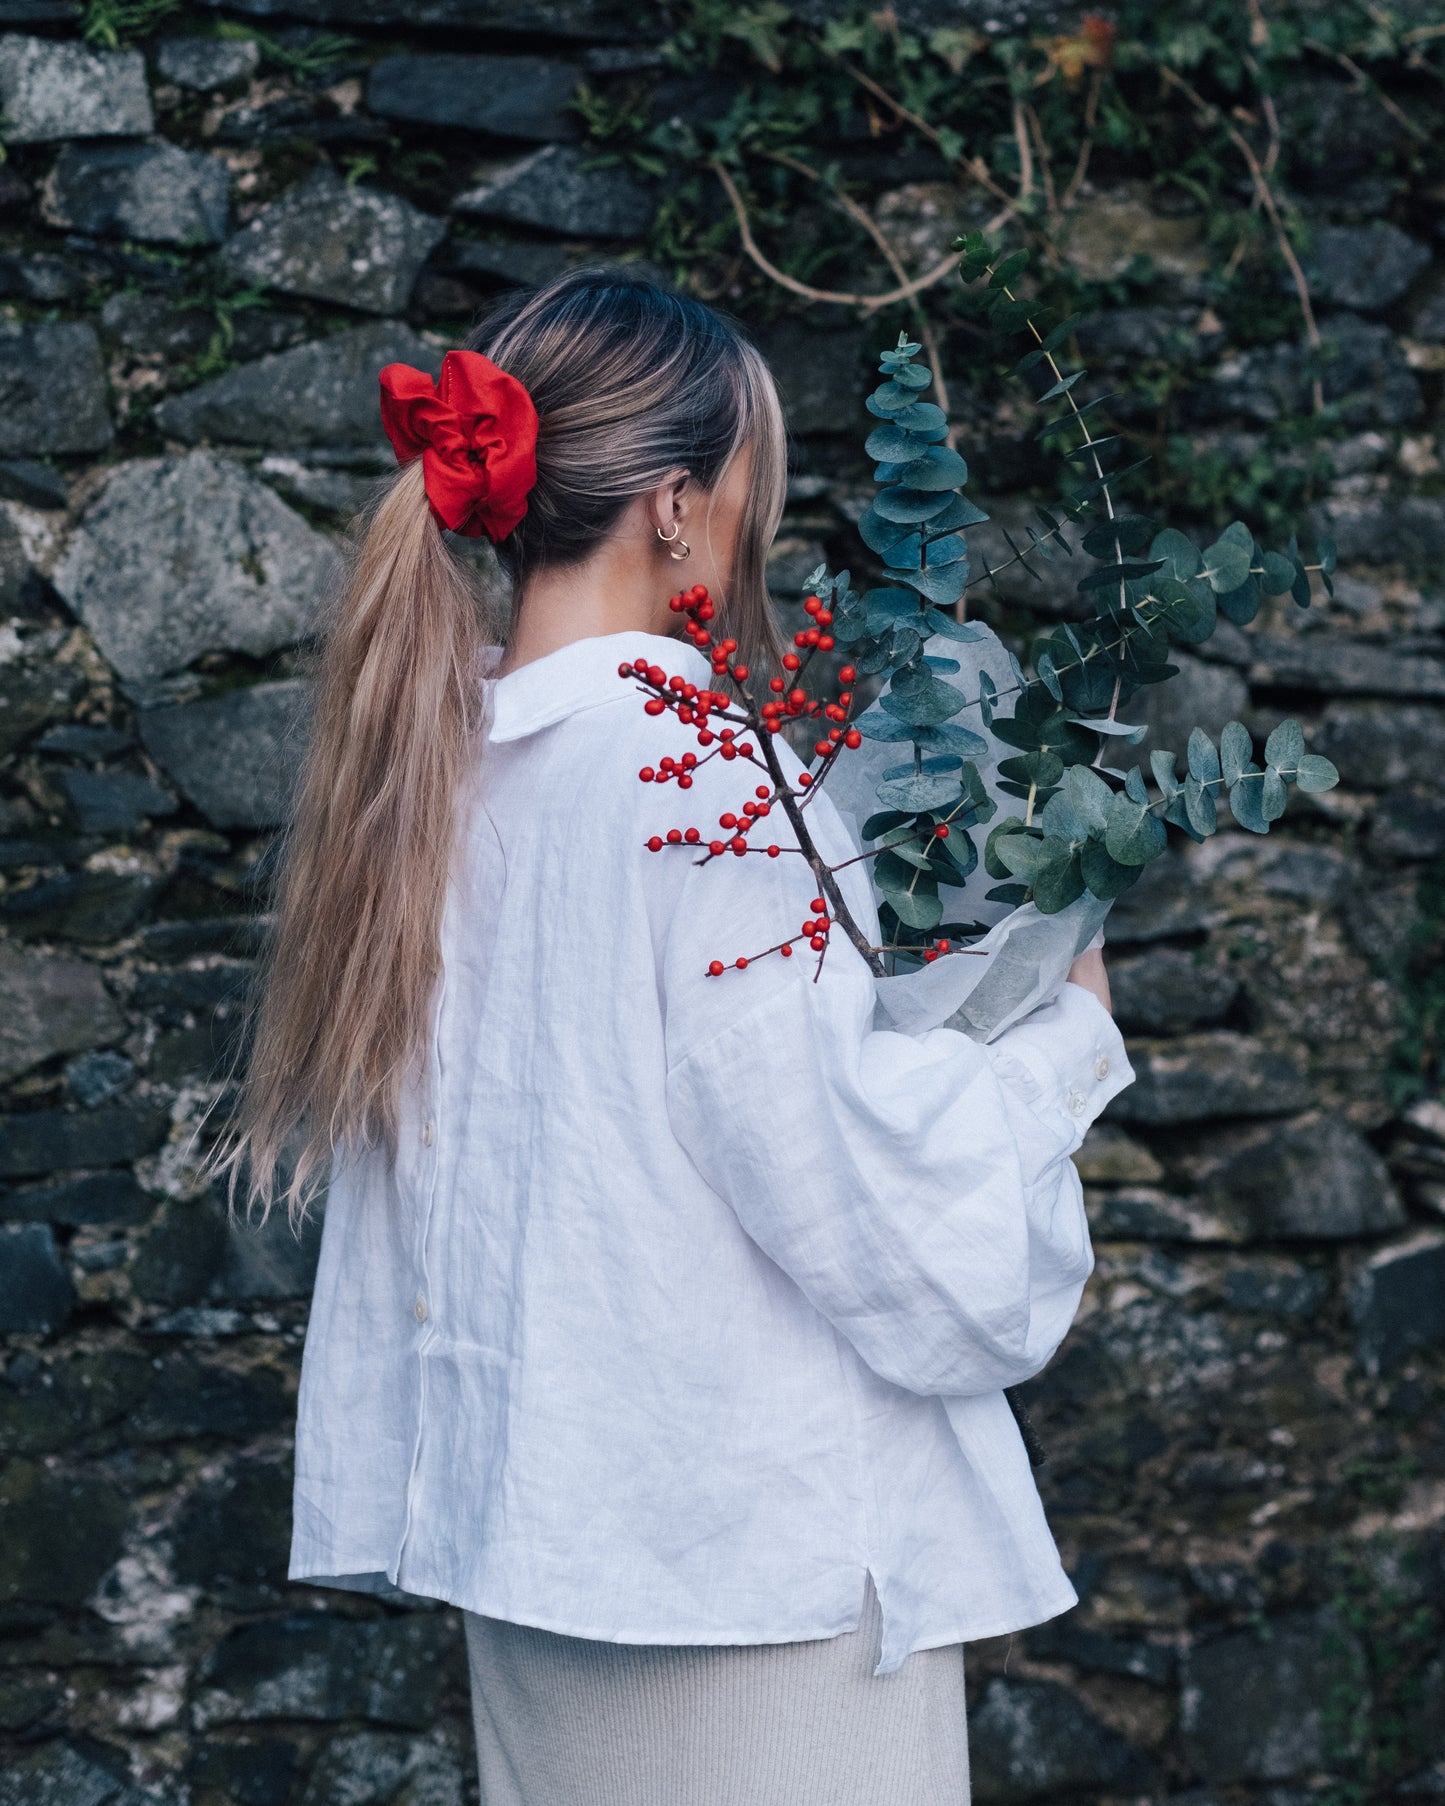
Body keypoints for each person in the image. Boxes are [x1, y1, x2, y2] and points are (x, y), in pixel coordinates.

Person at [206, 268, 1134, 1805]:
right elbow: (854, 1196)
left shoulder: (433, 779)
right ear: (673, 505)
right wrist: (1063, 1032)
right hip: (746, 1586)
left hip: (548, 1565)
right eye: (754, 478)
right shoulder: (698, 775)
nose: (759, 522)